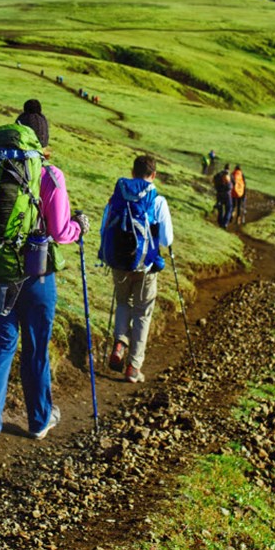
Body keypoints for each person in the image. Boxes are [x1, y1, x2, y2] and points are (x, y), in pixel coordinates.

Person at [0, 99, 89, 450]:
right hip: (36, 276)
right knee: (36, 348)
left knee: (0, 344)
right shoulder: (49, 175)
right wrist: (79, 227)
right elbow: (61, 232)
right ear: (43, 142)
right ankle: (39, 419)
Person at [103, 154, 173, 384]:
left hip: (119, 262)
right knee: (142, 312)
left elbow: (105, 226)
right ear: (154, 175)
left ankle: (120, 343)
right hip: (146, 266)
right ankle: (133, 367)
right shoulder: (157, 200)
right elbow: (166, 239)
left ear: (132, 172)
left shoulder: (118, 194)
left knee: (123, 302)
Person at [213, 163, 232, 228]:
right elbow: (233, 184)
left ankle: (220, 222)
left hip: (219, 193)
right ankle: (225, 223)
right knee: (229, 208)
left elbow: (214, 180)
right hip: (227, 194)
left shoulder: (219, 174)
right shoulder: (229, 175)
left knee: (220, 208)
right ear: (229, 168)